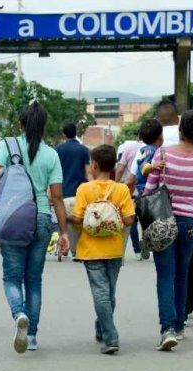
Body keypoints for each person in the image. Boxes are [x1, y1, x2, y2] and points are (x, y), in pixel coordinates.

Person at [0, 101, 69, 353]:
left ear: (20, 124)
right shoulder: (51, 155)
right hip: (42, 218)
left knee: (11, 277)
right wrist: (65, 233)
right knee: (34, 280)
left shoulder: (7, 146)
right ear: (43, 126)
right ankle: (32, 335)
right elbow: (57, 196)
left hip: (13, 217)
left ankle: (19, 314)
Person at [143, 109, 193, 351]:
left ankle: (167, 329)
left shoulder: (164, 154)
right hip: (191, 221)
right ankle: (180, 324)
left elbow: (150, 188)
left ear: (180, 130)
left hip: (164, 219)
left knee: (165, 275)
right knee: (182, 273)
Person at [71, 145, 135, 355]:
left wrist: (68, 217)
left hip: (91, 249)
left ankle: (111, 336)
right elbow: (128, 220)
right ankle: (102, 326)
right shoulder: (122, 189)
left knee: (100, 291)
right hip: (114, 248)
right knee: (110, 292)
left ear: (95, 164)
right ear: (114, 166)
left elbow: (79, 219)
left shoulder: (84, 189)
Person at [126, 120, 164, 261]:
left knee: (143, 220)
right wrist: (154, 166)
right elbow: (144, 168)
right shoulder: (151, 151)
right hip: (147, 191)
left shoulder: (144, 149)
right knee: (153, 220)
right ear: (160, 136)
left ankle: (144, 242)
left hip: (141, 191)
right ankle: (147, 243)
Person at [54, 122, 91, 259]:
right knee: (79, 221)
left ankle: (63, 247)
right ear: (76, 133)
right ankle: (77, 250)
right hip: (79, 194)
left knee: (63, 221)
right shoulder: (83, 150)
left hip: (62, 193)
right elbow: (88, 173)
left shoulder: (58, 149)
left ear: (64, 134)